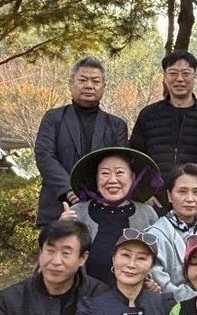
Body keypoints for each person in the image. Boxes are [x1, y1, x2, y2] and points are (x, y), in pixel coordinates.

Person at [35, 56, 130, 227]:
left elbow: (120, 165)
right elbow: (44, 156)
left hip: (103, 209)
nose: (89, 86)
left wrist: (95, 192)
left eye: (95, 81)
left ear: (103, 86)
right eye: (83, 80)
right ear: (71, 83)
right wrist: (69, 188)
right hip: (58, 207)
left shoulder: (116, 125)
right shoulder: (54, 118)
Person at [62, 146, 160, 287]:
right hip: (85, 301)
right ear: (96, 179)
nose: (112, 180)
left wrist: (152, 284)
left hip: (134, 300)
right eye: (105, 173)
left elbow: (159, 262)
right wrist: (59, 231)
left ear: (132, 178)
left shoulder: (147, 214)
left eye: (120, 173)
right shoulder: (77, 213)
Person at [131, 50, 197, 202]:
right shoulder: (148, 115)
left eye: (186, 73)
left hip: (196, 199)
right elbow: (135, 157)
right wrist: (144, 192)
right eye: (173, 73)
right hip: (155, 200)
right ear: (164, 77)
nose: (179, 79)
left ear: (194, 76)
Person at [147, 163, 197, 301]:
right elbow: (160, 283)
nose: (190, 199)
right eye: (182, 191)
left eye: (196, 192)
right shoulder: (155, 234)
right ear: (169, 196)